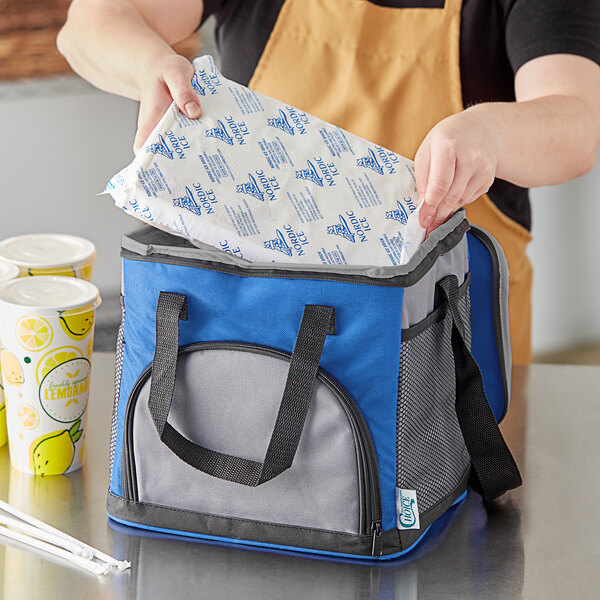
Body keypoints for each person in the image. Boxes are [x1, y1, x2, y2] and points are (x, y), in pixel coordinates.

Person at [56, 0, 600, 363]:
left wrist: (489, 132)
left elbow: (577, 122)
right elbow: (90, 25)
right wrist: (150, 63)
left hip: (445, 345)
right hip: (268, 339)